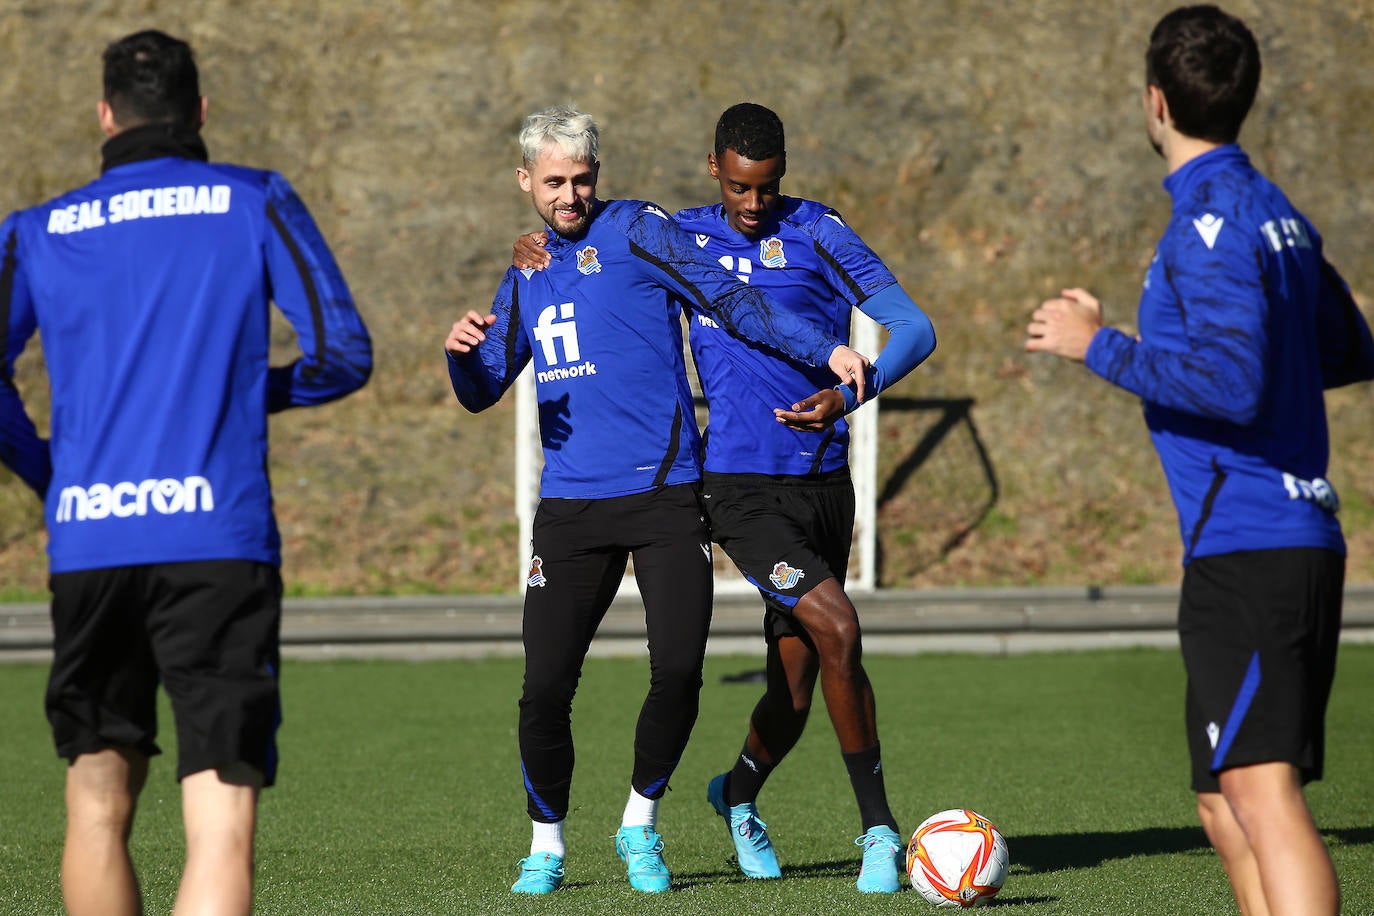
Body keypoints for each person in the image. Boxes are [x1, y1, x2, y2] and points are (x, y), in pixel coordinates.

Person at [445, 104, 870, 896]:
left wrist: (827, 347)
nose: (569, 196)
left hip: (667, 496)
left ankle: (639, 823)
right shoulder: (526, 268)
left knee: (677, 673)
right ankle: (546, 843)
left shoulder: (640, 229)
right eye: (553, 182)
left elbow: (733, 300)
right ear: (525, 182)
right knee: (544, 689)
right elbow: (482, 389)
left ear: (597, 176)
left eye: (581, 179)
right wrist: (460, 355)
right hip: (571, 509)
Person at [0, 30, 373, 916]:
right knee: (220, 817)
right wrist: (243, 394)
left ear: (104, 117)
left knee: (95, 803)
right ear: (200, 112)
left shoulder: (37, 229)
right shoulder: (253, 198)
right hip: (216, 536)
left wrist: (52, 472)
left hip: (90, 541)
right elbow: (341, 354)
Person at [1024, 7, 1374, 915]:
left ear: (1155, 102)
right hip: (1262, 540)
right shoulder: (1274, 213)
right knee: (1222, 802)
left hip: (1255, 540)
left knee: (1258, 793)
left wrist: (1096, 344)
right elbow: (1345, 348)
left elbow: (1229, 384)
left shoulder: (1209, 223)